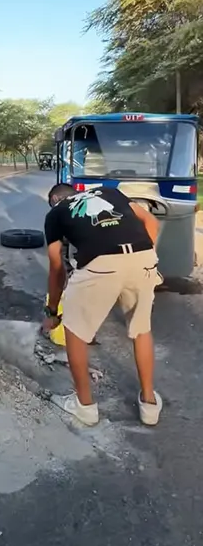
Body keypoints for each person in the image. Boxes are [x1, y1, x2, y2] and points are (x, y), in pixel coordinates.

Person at [43, 183, 163, 427]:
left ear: (56, 198)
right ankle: (149, 404)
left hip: (101, 262)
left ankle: (85, 407)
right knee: (141, 329)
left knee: (75, 331)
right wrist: (137, 259)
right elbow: (152, 222)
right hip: (143, 258)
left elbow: (56, 267)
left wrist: (53, 311)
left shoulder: (55, 213)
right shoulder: (109, 192)